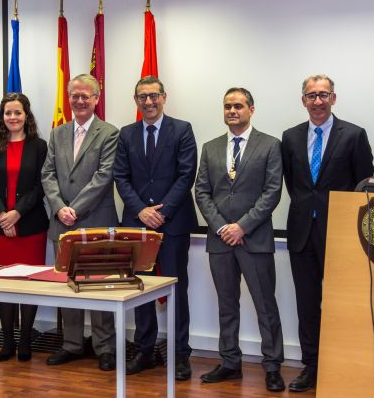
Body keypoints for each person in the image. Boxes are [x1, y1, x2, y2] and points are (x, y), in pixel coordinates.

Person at [281, 74, 374, 392]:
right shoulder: (290, 137)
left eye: (323, 95)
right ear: (303, 100)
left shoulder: (354, 135)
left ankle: (342, 364)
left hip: (341, 235)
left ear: (334, 98)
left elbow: (364, 185)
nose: (317, 101)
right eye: (311, 95)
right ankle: (312, 366)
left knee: (341, 304)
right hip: (302, 233)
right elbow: (294, 184)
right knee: (307, 304)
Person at [195, 88, 285, 391]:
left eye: (238, 106)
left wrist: (242, 227)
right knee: (226, 304)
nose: (232, 111)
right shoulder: (210, 147)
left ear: (251, 109)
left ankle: (272, 366)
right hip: (220, 241)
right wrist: (222, 227)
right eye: (227, 107)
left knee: (265, 305)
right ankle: (230, 362)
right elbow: (202, 192)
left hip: (254, 239)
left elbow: (272, 192)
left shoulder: (270, 145)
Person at [113, 75, 198, 381]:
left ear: (164, 97)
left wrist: (161, 212)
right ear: (135, 101)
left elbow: (186, 175)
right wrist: (141, 211)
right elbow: (120, 177)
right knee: (140, 289)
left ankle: (179, 354)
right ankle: (145, 351)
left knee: (177, 289)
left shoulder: (182, 130)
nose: (148, 102)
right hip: (137, 224)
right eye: (142, 97)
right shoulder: (126, 134)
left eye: (153, 96)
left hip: (173, 224)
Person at [41, 74, 118, 371]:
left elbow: (104, 176)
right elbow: (47, 173)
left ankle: (104, 347)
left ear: (96, 98)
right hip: (62, 224)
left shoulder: (110, 133)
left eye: (86, 96)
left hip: (96, 221)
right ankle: (72, 344)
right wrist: (60, 208)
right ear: (69, 98)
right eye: (75, 96)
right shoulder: (57, 133)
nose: (80, 101)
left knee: (99, 285)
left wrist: (75, 208)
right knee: (67, 284)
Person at [0, 92, 49, 362]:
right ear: (2, 116)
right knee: (3, 283)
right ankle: (7, 339)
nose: (13, 117)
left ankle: (25, 340)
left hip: (30, 226)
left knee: (29, 283)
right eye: (8, 113)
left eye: (18, 112)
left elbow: (40, 186)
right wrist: (2, 215)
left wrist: (17, 213)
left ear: (26, 115)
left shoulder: (39, 146)